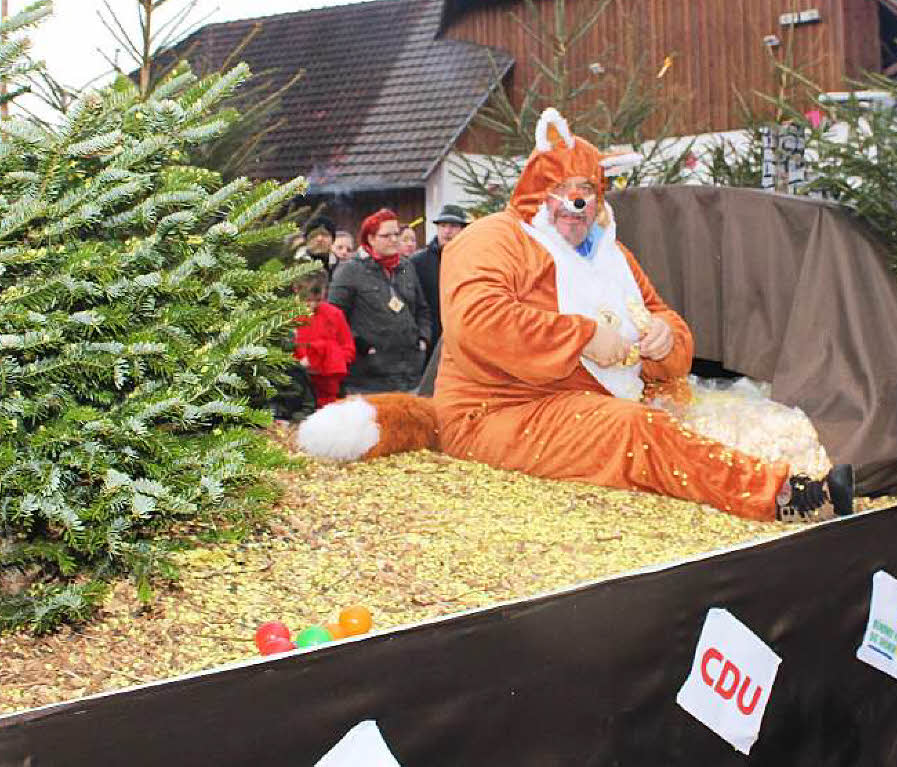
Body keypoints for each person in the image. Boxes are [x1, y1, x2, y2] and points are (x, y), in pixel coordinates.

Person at [299, 108, 853, 523]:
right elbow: (478, 321)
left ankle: (814, 470)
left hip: (594, 397)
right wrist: (583, 337)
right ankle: (782, 497)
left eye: (587, 192)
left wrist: (666, 340)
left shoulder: (612, 254)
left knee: (723, 411)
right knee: (632, 431)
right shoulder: (495, 239)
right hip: (499, 411)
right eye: (563, 192)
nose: (576, 206)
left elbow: (667, 321)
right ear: (539, 193)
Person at [327, 208, 431, 394]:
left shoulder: (406, 267)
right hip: (367, 378)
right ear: (371, 239)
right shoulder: (349, 271)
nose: (394, 240)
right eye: (386, 235)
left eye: (396, 234)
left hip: (410, 372)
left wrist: (423, 338)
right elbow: (333, 317)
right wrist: (362, 347)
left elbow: (422, 309)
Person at [411, 204, 468, 362]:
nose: (447, 231)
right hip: (430, 334)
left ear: (463, 230)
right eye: (443, 226)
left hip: (463, 334)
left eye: (453, 226)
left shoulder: (472, 259)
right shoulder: (418, 261)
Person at [292, 270, 356, 407]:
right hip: (295, 388)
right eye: (307, 301)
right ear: (296, 290)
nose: (312, 305)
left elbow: (348, 348)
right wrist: (298, 363)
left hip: (328, 388)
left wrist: (330, 360)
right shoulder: (285, 316)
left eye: (318, 300)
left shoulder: (334, 314)